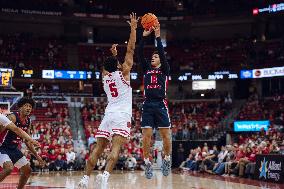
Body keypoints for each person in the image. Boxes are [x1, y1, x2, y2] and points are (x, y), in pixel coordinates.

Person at [78, 12, 138, 189]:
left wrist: (113, 56)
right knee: (115, 149)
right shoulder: (125, 72)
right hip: (121, 115)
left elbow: (111, 67)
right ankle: (104, 176)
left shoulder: (104, 77)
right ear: (118, 66)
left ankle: (84, 178)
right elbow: (131, 49)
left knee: (97, 149)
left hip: (108, 114)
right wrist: (133, 28)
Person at [138, 22, 171, 179]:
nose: (153, 58)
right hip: (148, 105)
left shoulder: (164, 69)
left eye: (155, 56)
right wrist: (143, 38)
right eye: (152, 56)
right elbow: (139, 53)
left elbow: (163, 55)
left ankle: (166, 160)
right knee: (146, 136)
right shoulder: (146, 69)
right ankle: (147, 163)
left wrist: (157, 37)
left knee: (166, 136)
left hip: (160, 104)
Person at [0, 97, 44, 189]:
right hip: (2, 147)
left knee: (27, 170)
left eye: (30, 106)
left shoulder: (28, 121)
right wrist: (31, 140)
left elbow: (27, 141)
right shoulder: (12, 117)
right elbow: (16, 130)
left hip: (13, 149)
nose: (28, 108)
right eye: (26, 106)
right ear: (20, 107)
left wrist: (37, 155)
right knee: (8, 168)